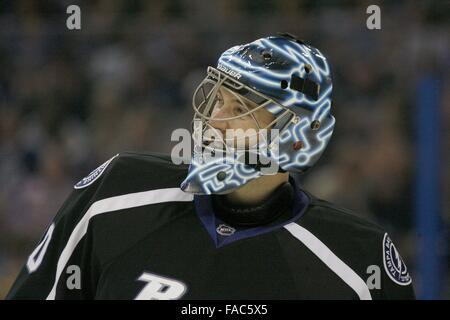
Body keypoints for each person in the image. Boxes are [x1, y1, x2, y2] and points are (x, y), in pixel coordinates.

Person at [6, 33, 415, 300]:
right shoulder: (115, 194)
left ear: (297, 137)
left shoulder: (358, 262)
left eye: (239, 109)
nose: (213, 121)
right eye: (217, 98)